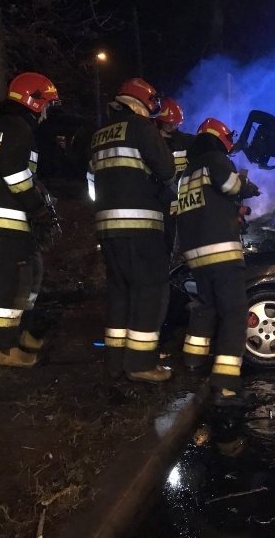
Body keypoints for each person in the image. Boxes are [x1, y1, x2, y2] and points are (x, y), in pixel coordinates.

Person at [87, 78, 176, 383]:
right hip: (141, 226)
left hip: (107, 229)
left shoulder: (99, 135)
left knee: (120, 294)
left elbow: (91, 180)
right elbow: (166, 170)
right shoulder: (141, 127)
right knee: (151, 290)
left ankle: (114, 363)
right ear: (140, 103)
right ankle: (140, 364)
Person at [0, 72, 61, 367]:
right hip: (8, 218)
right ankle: (3, 348)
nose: (47, 112)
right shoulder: (17, 127)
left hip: (1, 217)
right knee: (10, 282)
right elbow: (15, 174)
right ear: (33, 100)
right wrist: (37, 207)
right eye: (46, 104)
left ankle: (21, 333)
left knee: (30, 274)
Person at [175, 118, 261, 406]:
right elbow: (230, 184)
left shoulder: (187, 173)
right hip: (222, 253)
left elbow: (206, 206)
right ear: (221, 138)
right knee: (234, 314)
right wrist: (248, 185)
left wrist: (235, 211)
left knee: (206, 307)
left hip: (196, 255)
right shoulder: (216, 159)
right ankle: (225, 385)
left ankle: (192, 363)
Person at [154, 97, 195, 256]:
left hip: (178, 201)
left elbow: (204, 145)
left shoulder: (185, 141)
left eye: (175, 123)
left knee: (174, 243)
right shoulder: (151, 141)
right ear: (159, 121)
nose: (172, 126)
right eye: (168, 122)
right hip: (157, 200)